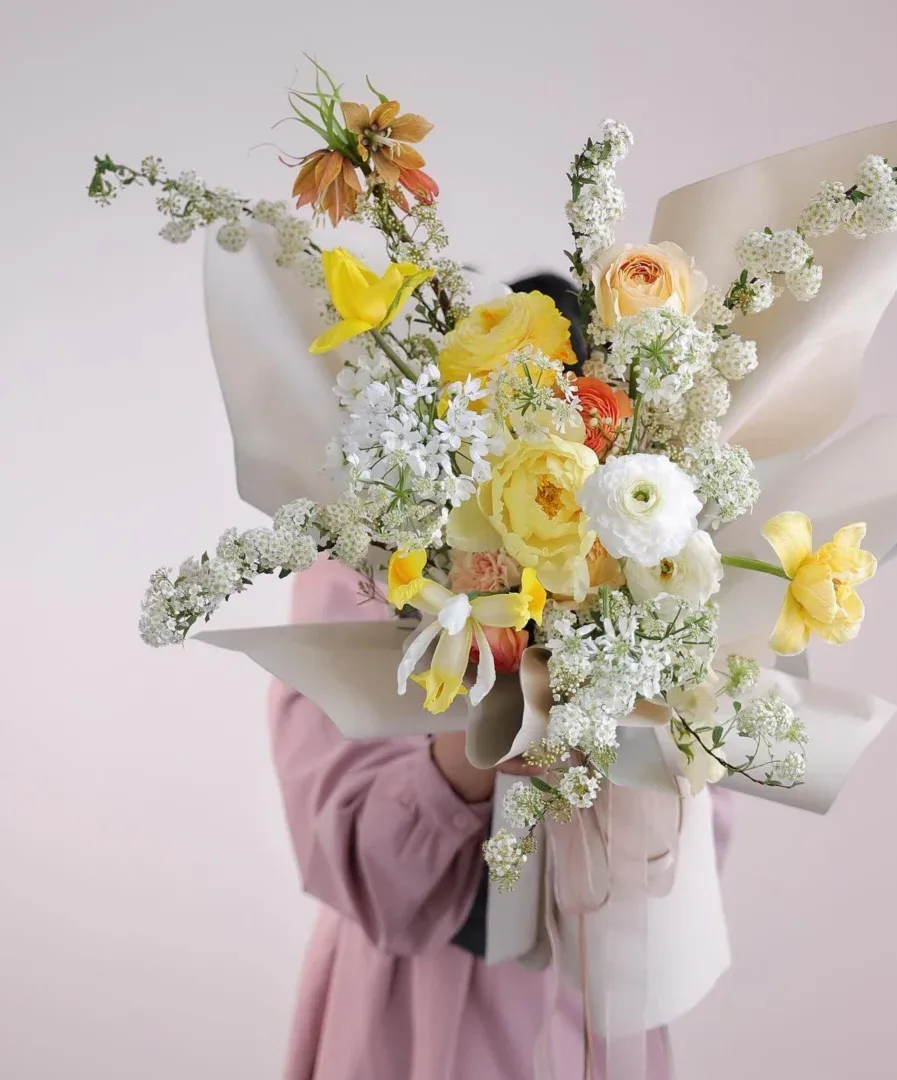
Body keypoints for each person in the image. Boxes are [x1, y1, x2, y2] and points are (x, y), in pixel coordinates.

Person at [268, 275, 735, 1080]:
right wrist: (487, 728)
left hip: (593, 1013)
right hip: (413, 1016)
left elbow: (693, 853)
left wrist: (622, 708)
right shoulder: (370, 569)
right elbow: (358, 865)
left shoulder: (666, 590)